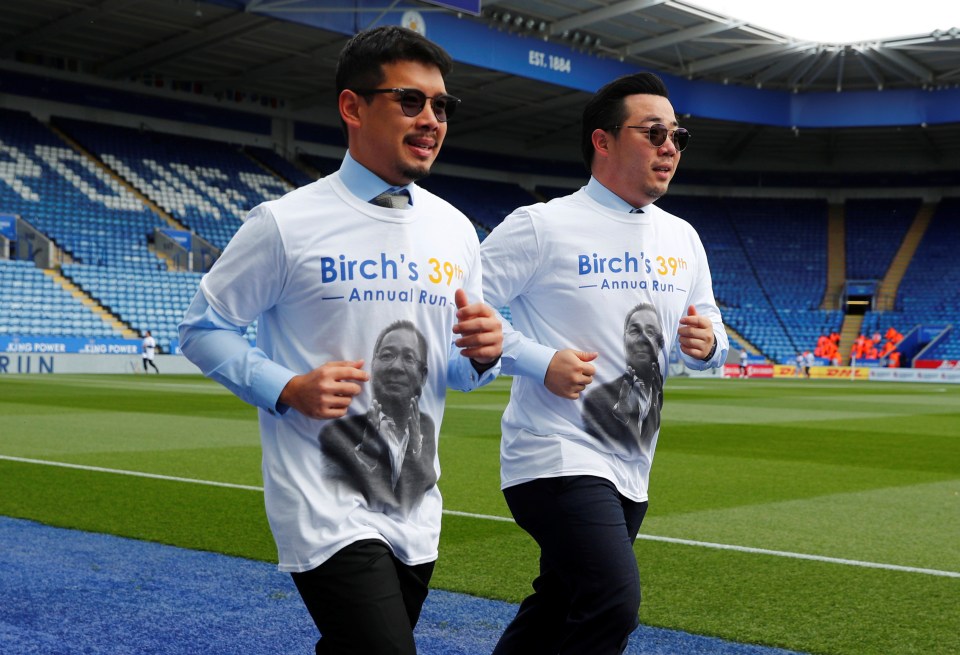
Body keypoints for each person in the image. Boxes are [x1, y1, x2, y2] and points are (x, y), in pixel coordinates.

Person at [178, 26, 502, 655]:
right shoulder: (285, 223)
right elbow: (201, 330)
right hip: (322, 498)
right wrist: (287, 387)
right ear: (353, 107)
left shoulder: (456, 230)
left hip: (415, 496)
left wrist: (483, 355)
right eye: (411, 101)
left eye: (442, 106)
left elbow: (456, 371)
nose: (432, 119)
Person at [480, 72, 727, 655]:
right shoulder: (540, 226)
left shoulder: (683, 238)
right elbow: (458, 309)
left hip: (633, 458)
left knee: (560, 602)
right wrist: (539, 361)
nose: (670, 147)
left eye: (678, 136)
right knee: (612, 602)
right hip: (553, 451)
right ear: (603, 141)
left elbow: (712, 332)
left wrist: (709, 345)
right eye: (654, 132)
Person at [320, 320, 436, 516]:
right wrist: (365, 460)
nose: (396, 367)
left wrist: (413, 456)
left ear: (423, 375)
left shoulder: (426, 428)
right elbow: (332, 493)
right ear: (373, 365)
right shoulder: (337, 433)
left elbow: (409, 505)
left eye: (409, 358)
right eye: (387, 355)